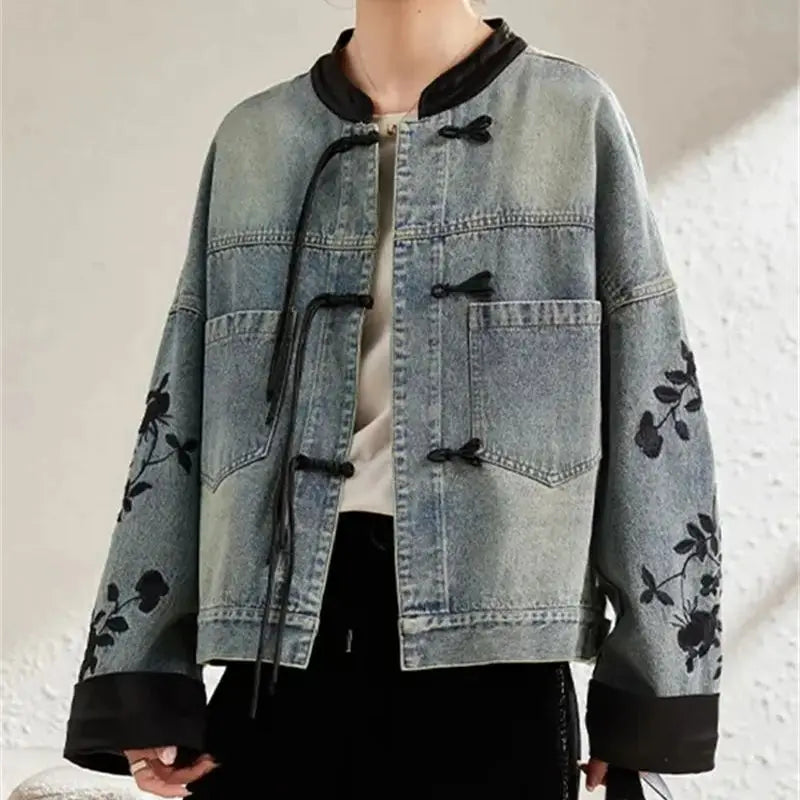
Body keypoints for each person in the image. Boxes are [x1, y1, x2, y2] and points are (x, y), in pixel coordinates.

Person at [62, 2, 723, 798]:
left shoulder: (571, 119)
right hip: (280, 656)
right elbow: (183, 408)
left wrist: (650, 697)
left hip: (495, 671)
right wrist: (141, 677)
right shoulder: (255, 139)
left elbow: (654, 403)